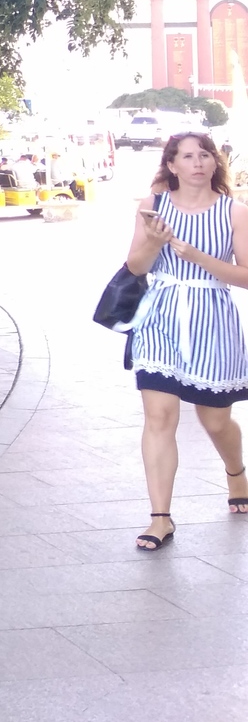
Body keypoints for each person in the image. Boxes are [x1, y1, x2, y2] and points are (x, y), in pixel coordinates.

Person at [123, 133, 248, 551]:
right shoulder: (151, 207)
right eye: (188, 156)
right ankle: (160, 518)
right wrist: (155, 244)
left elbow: (246, 276)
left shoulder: (235, 212)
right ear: (172, 165)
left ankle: (236, 471)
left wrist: (200, 258)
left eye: (204, 155)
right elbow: (135, 266)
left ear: (215, 163)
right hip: (160, 317)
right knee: (159, 418)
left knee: (214, 420)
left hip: (213, 320)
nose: (198, 162)